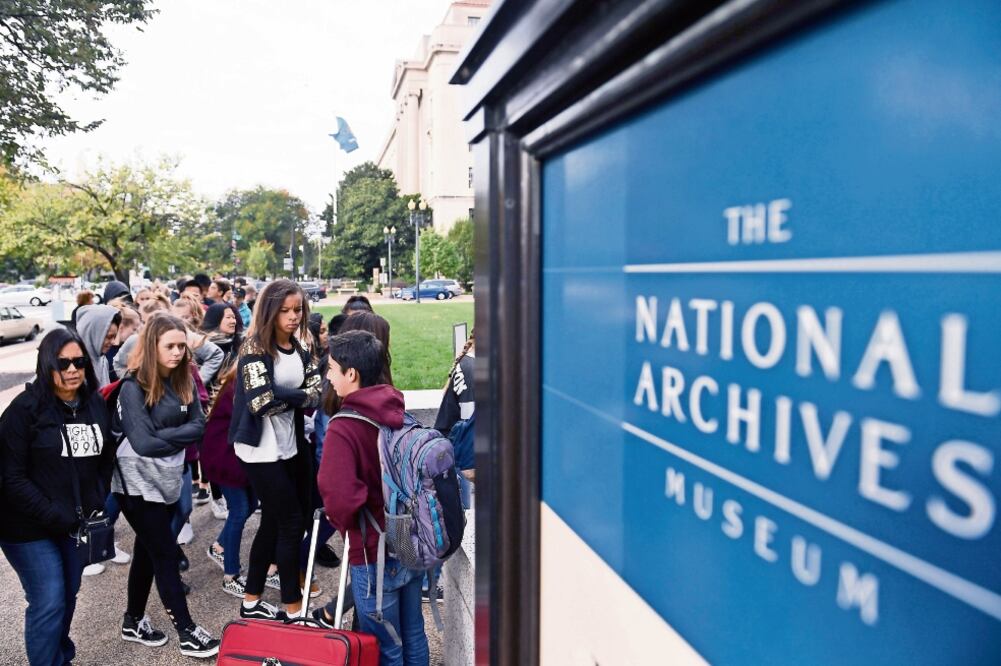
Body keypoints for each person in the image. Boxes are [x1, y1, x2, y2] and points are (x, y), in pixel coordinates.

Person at [0, 329, 115, 666]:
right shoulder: (24, 410)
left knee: (67, 595)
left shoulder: (94, 403)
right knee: (49, 598)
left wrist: (96, 498)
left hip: (73, 523)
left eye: (78, 361)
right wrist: (56, 514)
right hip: (25, 526)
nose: (72, 369)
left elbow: (105, 458)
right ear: (46, 364)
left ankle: (58, 656)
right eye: (62, 363)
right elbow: (11, 478)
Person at [318, 330, 429, 665]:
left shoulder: (344, 427)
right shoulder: (395, 410)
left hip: (371, 549)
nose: (328, 376)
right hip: (409, 538)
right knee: (413, 634)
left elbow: (340, 499)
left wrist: (342, 523)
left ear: (351, 374)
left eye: (332, 369)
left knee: (385, 647)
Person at [112, 314, 220, 658]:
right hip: (133, 481)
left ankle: (132, 620)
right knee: (162, 551)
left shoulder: (184, 377)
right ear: (151, 347)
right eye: (169, 346)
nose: (177, 353)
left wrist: (160, 435)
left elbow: (199, 426)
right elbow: (141, 444)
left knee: (147, 549)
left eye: (181, 347)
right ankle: (187, 631)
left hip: (168, 477)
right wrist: (172, 437)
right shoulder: (132, 386)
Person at [229, 279, 321, 621]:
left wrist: (291, 396)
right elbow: (260, 404)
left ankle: (251, 602)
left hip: (289, 445)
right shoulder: (254, 347)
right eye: (285, 310)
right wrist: (297, 397)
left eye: (298, 310)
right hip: (259, 450)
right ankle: (292, 609)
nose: (294, 317)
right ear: (270, 311)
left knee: (272, 521)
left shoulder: (300, 348)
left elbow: (317, 392)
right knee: (290, 522)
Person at [200, 366, 257, 597]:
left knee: (250, 505)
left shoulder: (243, 380)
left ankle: (220, 547)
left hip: (238, 458)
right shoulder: (238, 385)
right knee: (240, 509)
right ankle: (231, 575)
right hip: (225, 459)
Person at [75, 304, 121, 390]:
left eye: (114, 337)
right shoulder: (74, 364)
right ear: (92, 333)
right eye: (108, 337)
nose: (113, 342)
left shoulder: (102, 360)